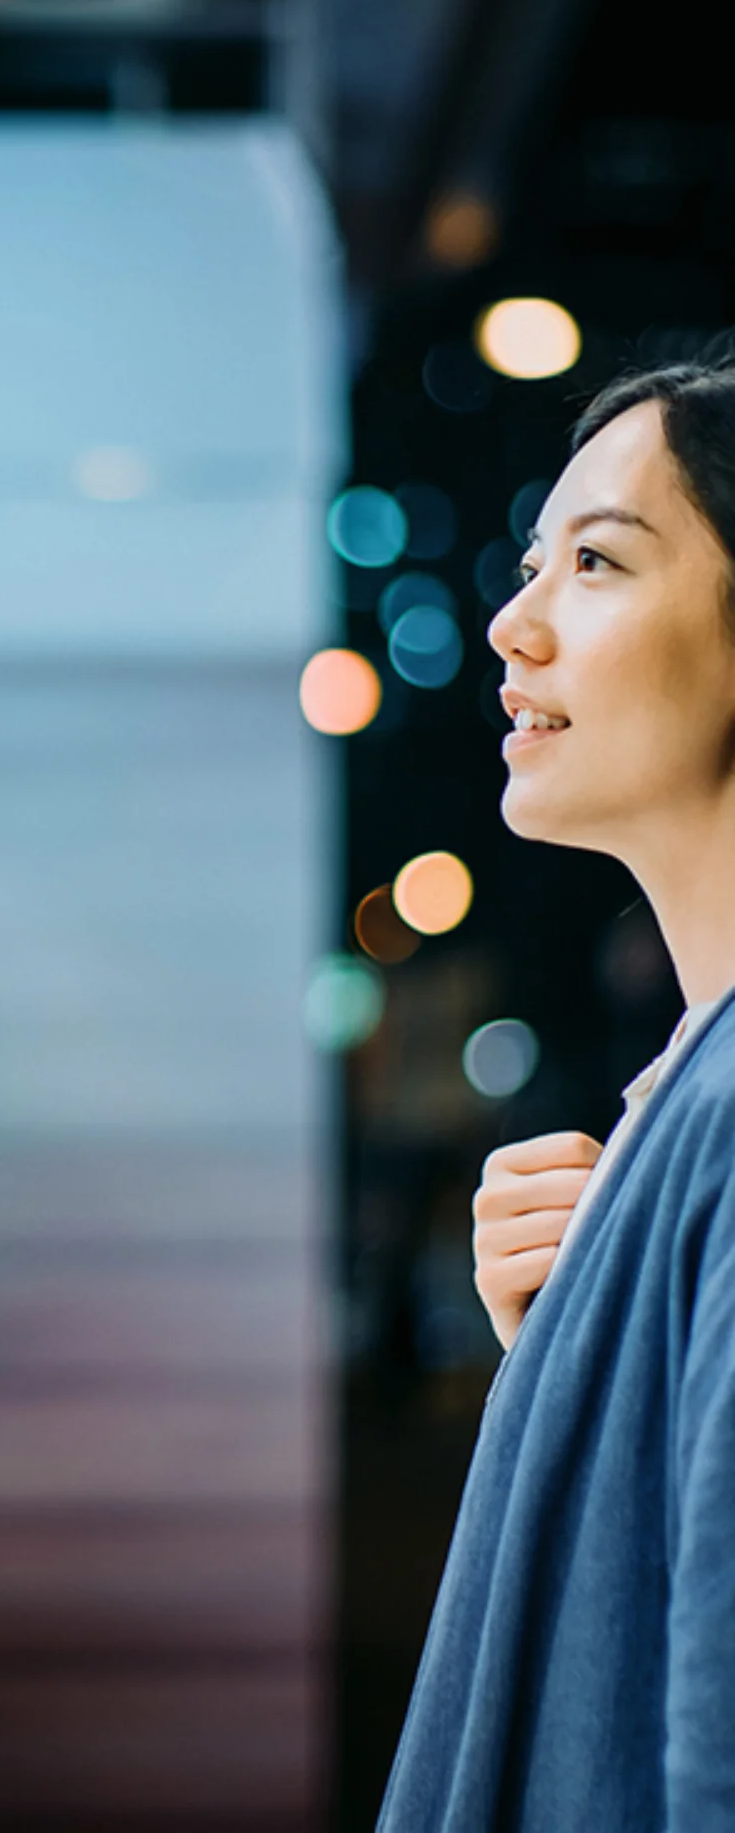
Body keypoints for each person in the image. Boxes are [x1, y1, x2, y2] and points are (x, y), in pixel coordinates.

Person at [379, 360, 735, 1829]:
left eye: (595, 563)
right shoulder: (688, 1098)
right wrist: (602, 1338)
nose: (514, 627)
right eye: (533, 564)